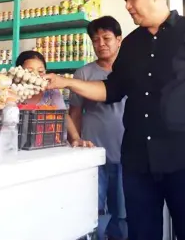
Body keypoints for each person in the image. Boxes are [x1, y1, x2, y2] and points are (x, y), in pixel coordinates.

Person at [45, 0, 185, 240]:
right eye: (125, 0)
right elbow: (112, 89)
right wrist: (67, 82)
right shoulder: (130, 45)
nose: (128, 6)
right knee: (141, 233)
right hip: (138, 161)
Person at [68, 16, 128, 240]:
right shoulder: (83, 74)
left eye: (106, 38)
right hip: (93, 154)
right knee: (93, 214)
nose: (100, 43)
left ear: (119, 40)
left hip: (127, 154)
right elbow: (74, 113)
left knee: (123, 215)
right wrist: (75, 141)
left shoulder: (131, 70)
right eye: (95, 40)